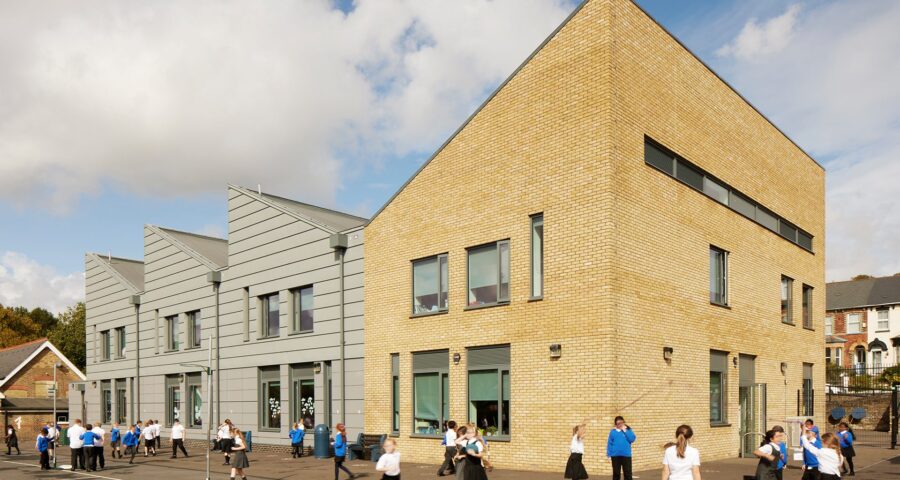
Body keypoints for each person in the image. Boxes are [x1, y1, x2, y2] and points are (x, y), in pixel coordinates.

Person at [607, 416, 636, 480]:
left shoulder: (628, 430)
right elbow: (609, 443)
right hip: (615, 455)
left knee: (628, 473)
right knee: (616, 474)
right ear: (615, 424)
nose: (620, 425)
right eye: (618, 423)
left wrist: (625, 431)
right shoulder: (613, 432)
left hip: (626, 455)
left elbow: (632, 439)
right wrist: (609, 454)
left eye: (622, 423)